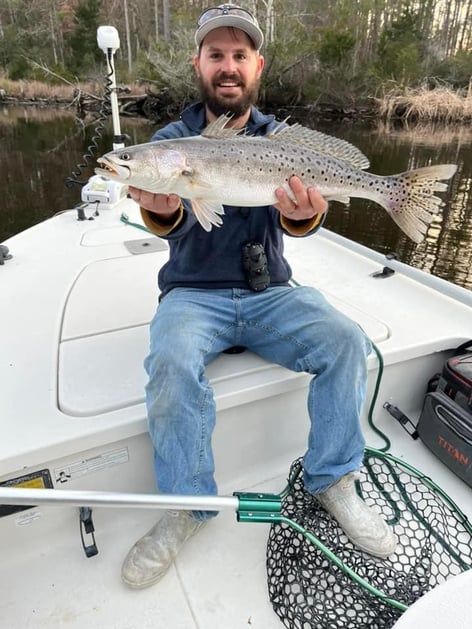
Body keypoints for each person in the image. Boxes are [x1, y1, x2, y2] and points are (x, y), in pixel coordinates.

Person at [121, 3, 397, 590]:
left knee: (347, 342)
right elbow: (163, 219)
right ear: (198, 63)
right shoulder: (173, 142)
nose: (228, 66)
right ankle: (188, 508)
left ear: (257, 66)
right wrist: (157, 203)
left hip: (272, 293)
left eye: (239, 55)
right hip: (194, 297)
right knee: (170, 362)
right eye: (216, 54)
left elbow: (301, 224)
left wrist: (305, 215)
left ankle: (335, 482)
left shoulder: (279, 139)